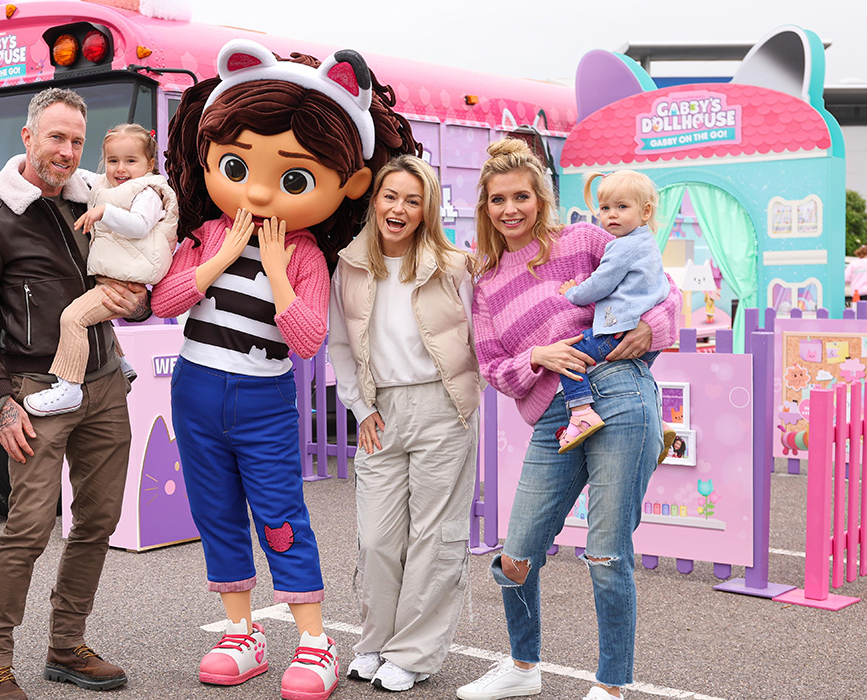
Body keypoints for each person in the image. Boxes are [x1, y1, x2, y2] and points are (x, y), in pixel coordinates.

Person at [153, 39, 419, 700]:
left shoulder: (304, 256)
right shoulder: (206, 235)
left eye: (293, 179)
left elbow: (306, 340)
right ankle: (240, 632)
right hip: (194, 387)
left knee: (278, 513)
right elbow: (166, 302)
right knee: (215, 510)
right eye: (237, 165)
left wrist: (276, 271)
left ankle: (313, 639)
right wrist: (221, 259)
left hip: (261, 397)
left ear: (348, 184)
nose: (259, 189)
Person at [455, 139, 680, 700]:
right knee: (516, 554)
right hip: (553, 418)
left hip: (618, 392)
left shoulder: (582, 240)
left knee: (606, 551)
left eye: (522, 196)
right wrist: (537, 355)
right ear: (485, 206)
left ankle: (610, 686)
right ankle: (522, 668)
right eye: (498, 199)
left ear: (541, 198)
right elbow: (492, 368)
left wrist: (651, 328)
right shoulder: (486, 284)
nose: (511, 209)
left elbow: (661, 284)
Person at [0, 87, 150, 700]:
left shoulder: (95, 197)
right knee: (29, 527)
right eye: (56, 137)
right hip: (37, 390)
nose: (67, 152)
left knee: (97, 521)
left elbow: (132, 267)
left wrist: (139, 303)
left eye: (76, 141)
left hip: (104, 381)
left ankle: (66, 646)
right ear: (28, 137)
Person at [327, 155, 478, 692]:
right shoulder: (349, 266)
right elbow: (340, 346)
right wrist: (360, 408)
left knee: (435, 537)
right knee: (377, 538)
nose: (400, 208)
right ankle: (374, 642)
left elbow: (483, 335)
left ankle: (412, 653)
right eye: (391, 196)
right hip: (379, 412)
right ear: (375, 201)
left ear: (426, 210)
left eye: (413, 201)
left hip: (443, 407)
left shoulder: (454, 266)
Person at [22, 123, 178, 416]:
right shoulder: (109, 186)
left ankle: (69, 387)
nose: (120, 169)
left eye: (130, 161)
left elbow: (139, 225)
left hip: (123, 281)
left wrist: (104, 213)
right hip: (111, 277)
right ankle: (120, 363)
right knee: (93, 314)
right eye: (112, 160)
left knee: (73, 318)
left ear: (149, 164)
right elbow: (83, 176)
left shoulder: (149, 192)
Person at [552, 170, 669, 453]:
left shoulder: (622, 247)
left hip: (617, 331)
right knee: (636, 374)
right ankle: (659, 421)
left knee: (569, 356)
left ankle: (581, 414)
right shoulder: (648, 243)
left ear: (645, 211)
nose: (611, 215)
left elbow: (599, 284)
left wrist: (572, 292)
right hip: (646, 340)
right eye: (605, 208)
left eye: (622, 207)